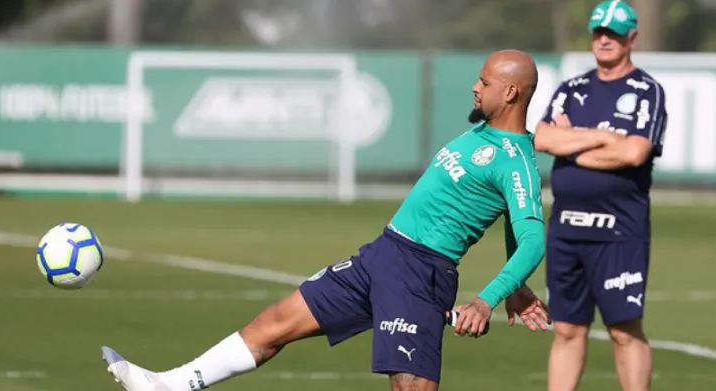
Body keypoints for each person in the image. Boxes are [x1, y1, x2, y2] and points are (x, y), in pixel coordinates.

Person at [101, 49, 551, 391]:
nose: (475, 87)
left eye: (485, 81)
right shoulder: (481, 131)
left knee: (410, 386)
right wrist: (519, 289)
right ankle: (169, 384)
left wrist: (488, 299)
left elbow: (532, 238)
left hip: (420, 272)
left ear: (510, 92)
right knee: (276, 322)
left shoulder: (516, 161)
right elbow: (511, 222)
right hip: (383, 255)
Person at [534, 1, 668, 390]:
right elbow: (542, 137)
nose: (604, 39)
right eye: (598, 32)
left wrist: (571, 143)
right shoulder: (572, 89)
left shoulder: (646, 91)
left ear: (632, 38)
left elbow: (635, 152)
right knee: (566, 329)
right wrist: (605, 138)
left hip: (618, 232)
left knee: (624, 331)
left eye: (613, 32)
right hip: (567, 229)